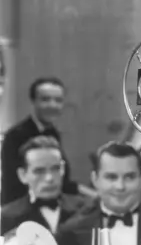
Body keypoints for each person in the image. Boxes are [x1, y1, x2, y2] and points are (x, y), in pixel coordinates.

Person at [0, 77, 91, 205]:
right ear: (33, 101)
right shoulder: (15, 136)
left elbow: (63, 180)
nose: (53, 105)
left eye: (58, 100)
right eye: (45, 99)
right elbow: (13, 187)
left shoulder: (52, 133)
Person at [1, 136, 88, 236]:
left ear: (63, 169)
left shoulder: (85, 209)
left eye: (55, 169)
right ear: (23, 175)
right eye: (39, 171)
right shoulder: (7, 217)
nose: (49, 178)